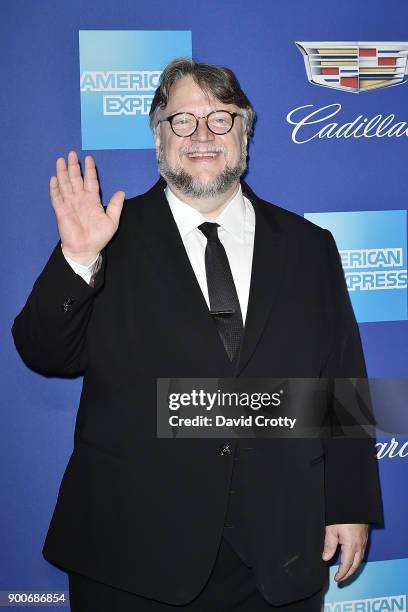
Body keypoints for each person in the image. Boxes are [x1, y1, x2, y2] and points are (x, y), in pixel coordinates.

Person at [12, 57, 383, 611]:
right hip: (131, 556)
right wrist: (78, 256)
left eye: (221, 118)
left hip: (277, 554)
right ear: (159, 141)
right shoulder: (107, 237)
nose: (202, 134)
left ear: (246, 134)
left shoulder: (310, 246)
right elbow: (45, 352)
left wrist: (350, 502)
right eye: (182, 120)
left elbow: (341, 382)